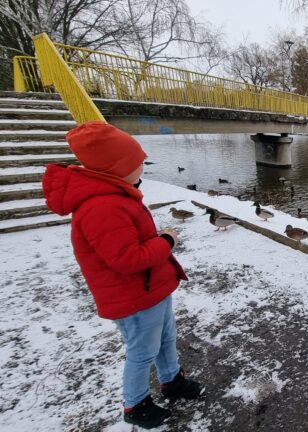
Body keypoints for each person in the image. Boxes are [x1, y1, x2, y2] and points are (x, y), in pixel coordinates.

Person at [42, 121, 203, 429]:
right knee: (142, 352)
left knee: (166, 338)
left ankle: (172, 381)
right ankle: (136, 404)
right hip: (133, 298)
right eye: (137, 162)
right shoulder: (102, 207)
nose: (143, 166)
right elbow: (128, 259)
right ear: (117, 168)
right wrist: (166, 241)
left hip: (152, 290)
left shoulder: (117, 194)